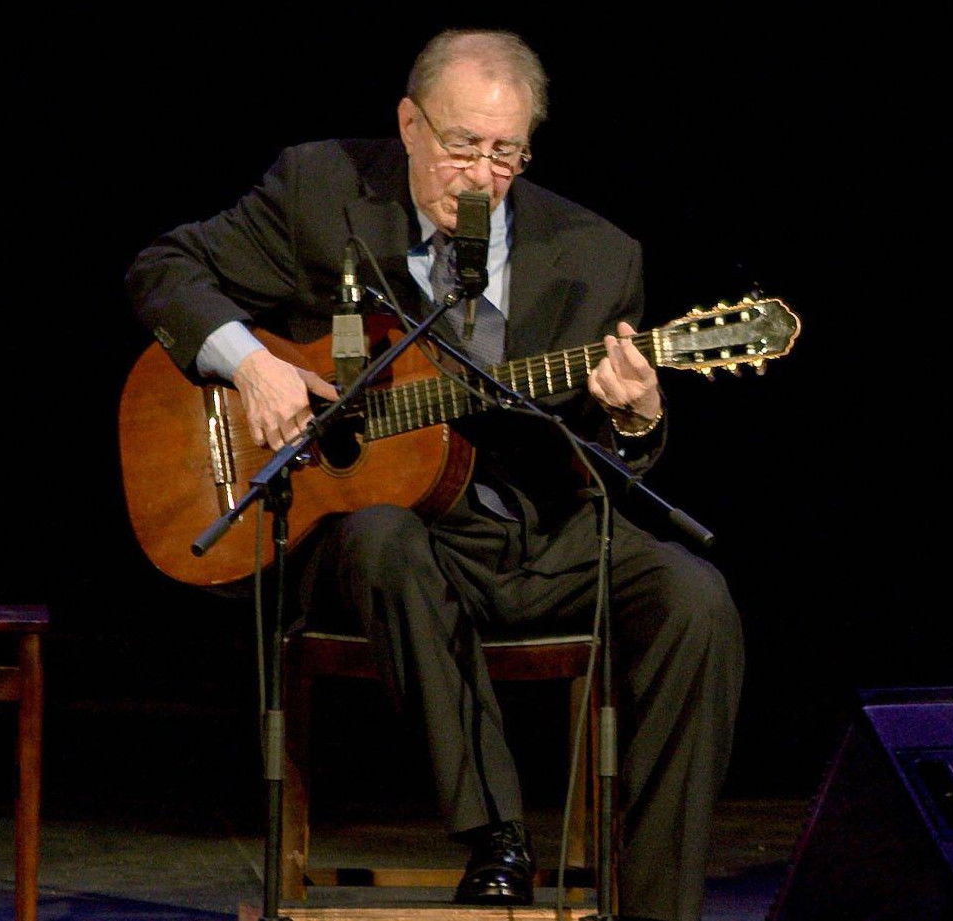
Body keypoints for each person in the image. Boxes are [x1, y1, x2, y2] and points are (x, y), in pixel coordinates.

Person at [124, 28, 743, 921]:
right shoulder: (321, 189)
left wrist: (636, 414)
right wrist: (248, 365)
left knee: (698, 599)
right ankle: (496, 833)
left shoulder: (599, 255)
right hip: (377, 548)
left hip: (535, 533)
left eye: (505, 153)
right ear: (410, 126)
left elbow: (609, 462)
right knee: (384, 534)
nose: (482, 175)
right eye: (461, 146)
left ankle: (656, 905)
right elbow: (162, 269)